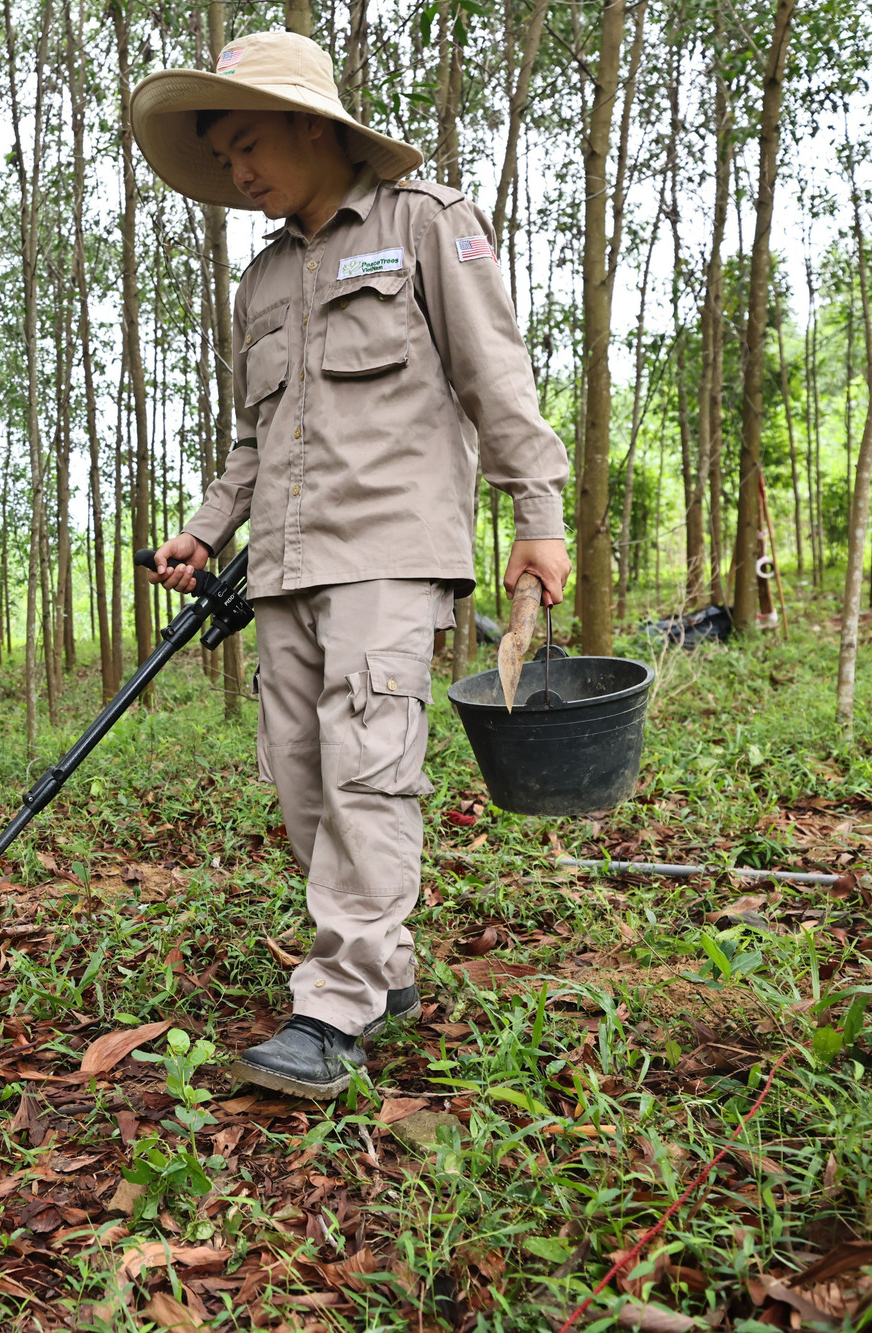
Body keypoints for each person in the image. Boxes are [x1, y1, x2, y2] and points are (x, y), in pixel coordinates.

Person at [130, 31, 571, 1098]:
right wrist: (206, 529)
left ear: (312, 127)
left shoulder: (425, 224)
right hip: (282, 565)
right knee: (302, 780)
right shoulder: (264, 278)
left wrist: (536, 510)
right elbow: (252, 438)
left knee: (369, 770)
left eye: (247, 144)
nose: (236, 174)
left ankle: (331, 1010)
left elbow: (492, 375)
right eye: (222, 157)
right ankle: (389, 970)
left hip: (388, 548)